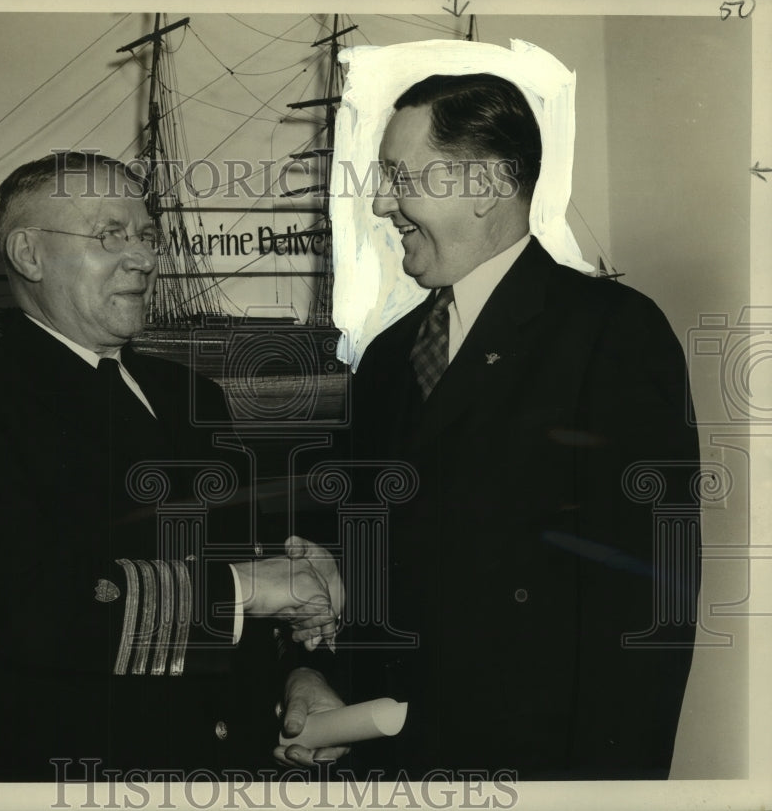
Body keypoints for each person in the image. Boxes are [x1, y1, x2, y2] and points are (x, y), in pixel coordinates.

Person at [278, 74, 700, 780]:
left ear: (487, 185)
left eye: (399, 178)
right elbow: (342, 542)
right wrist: (310, 676)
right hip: (388, 764)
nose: (383, 204)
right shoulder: (387, 358)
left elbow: (647, 605)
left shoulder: (612, 334)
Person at [0, 152, 342, 781]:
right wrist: (247, 587)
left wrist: (300, 675)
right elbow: (21, 605)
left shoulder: (193, 395)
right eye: (111, 235)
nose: (146, 257)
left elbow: (252, 564)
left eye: (148, 235)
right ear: (28, 254)